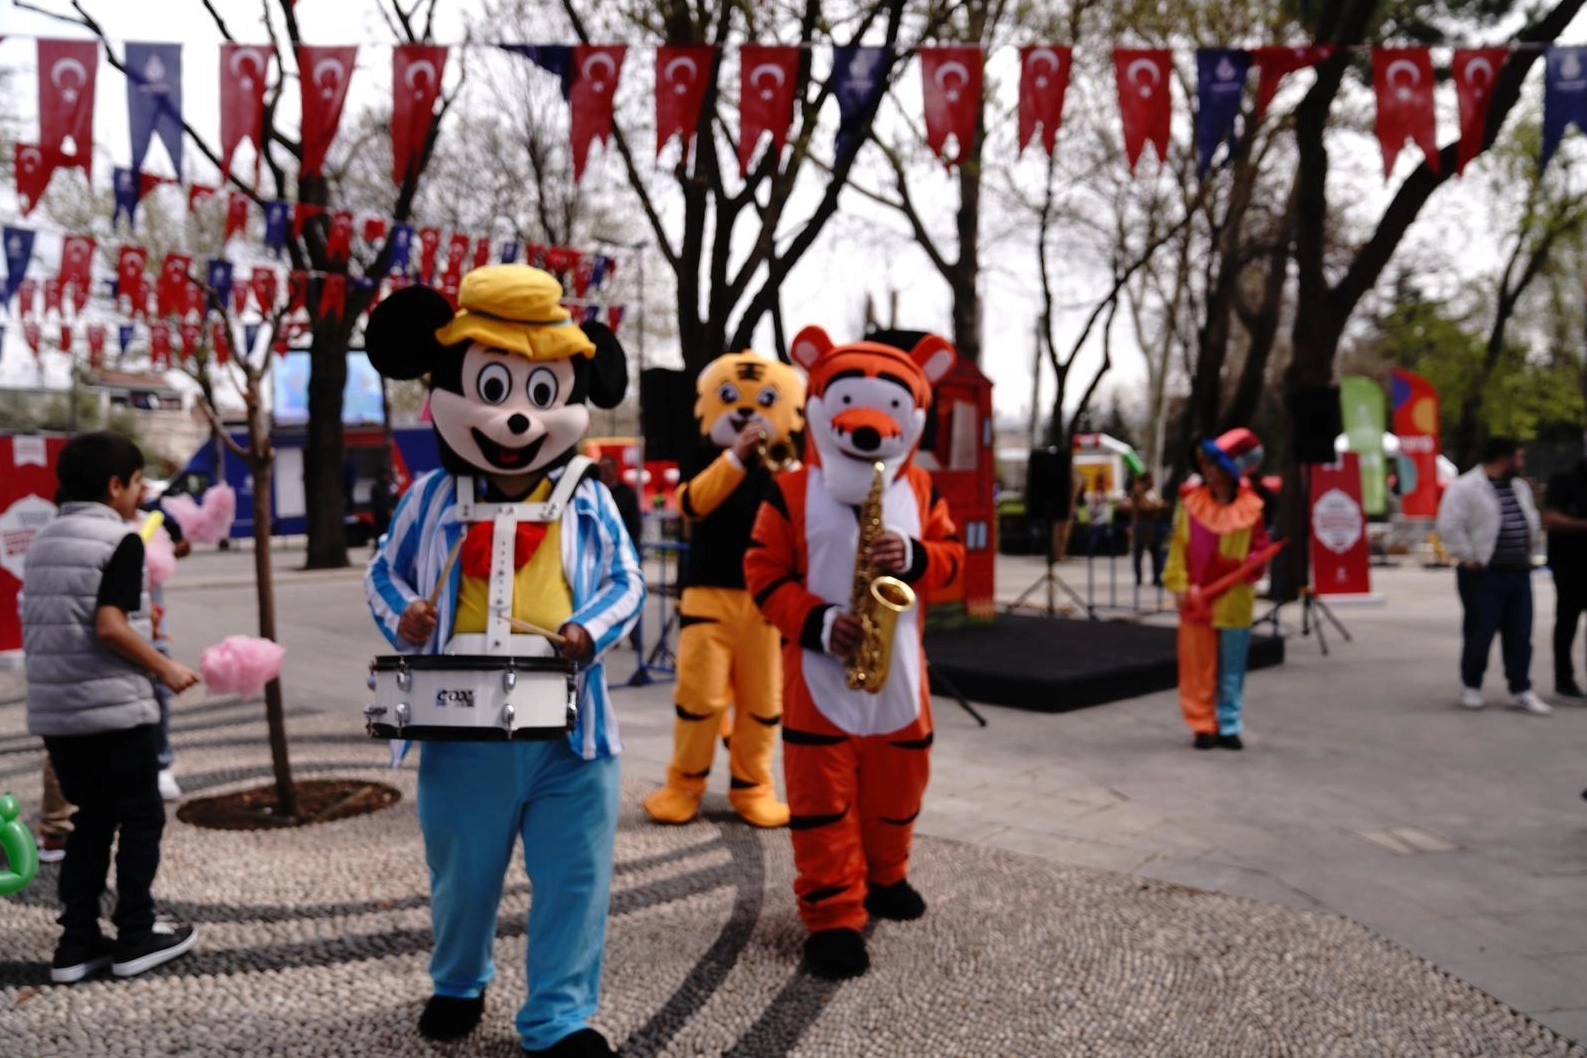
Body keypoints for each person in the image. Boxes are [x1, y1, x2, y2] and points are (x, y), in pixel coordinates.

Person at [363, 265, 643, 1056]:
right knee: (462, 873)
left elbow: (626, 582)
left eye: (540, 393)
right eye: (493, 388)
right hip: (462, 724)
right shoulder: (428, 497)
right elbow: (382, 571)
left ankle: (558, 1019)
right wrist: (403, 614)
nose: (517, 416)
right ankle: (459, 980)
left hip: (572, 732)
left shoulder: (589, 495)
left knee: (574, 878)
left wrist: (589, 629)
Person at [746, 326, 964, 981]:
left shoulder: (921, 491)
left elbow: (954, 560)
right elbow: (761, 573)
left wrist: (918, 556)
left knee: (899, 788)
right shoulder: (788, 492)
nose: (868, 426)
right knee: (821, 803)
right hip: (819, 679)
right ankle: (834, 916)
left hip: (899, 679)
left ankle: (886, 873)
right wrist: (816, 622)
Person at [21, 431, 201, 984]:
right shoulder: (120, 540)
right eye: (139, 482)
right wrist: (165, 668)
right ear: (115, 484)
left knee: (91, 819)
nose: (142, 494)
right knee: (141, 817)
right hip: (114, 710)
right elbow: (109, 625)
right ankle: (136, 933)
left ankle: (76, 943)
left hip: (57, 713)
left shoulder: (42, 542)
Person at [641, 351, 805, 829]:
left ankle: (754, 786)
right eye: (734, 400)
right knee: (699, 699)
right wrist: (735, 457)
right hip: (708, 597)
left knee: (763, 704)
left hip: (766, 603)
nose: (748, 413)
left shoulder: (783, 468)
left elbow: (802, 521)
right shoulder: (704, 457)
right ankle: (683, 783)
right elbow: (692, 503)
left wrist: (785, 471)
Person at [1163, 429, 1273, 750]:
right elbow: (1178, 549)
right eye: (1206, 463)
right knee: (1197, 667)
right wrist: (1180, 585)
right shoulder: (1191, 505)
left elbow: (1259, 548)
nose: (1207, 469)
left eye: (1214, 463)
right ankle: (1202, 724)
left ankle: (1229, 723)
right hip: (1197, 598)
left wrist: (1249, 563)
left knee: (1232, 666)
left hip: (1234, 599)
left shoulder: (1251, 509)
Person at [1434, 437, 1549, 715]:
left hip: (1518, 572)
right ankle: (1471, 685)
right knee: (1480, 631)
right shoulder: (1465, 487)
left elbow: (1530, 520)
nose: (1521, 463)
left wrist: (1531, 549)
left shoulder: (1519, 487)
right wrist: (1468, 556)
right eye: (1518, 457)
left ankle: (1520, 688)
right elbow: (1449, 525)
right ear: (1502, 459)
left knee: (1520, 632)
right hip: (1484, 573)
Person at [139, 495, 191, 801]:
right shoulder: (106, 529)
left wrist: (176, 548)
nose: (142, 488)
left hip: (154, 627)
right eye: (137, 481)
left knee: (158, 696)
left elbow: (176, 547)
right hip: (123, 628)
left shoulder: (151, 520)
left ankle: (161, 764)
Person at [1544, 454, 1587, 701]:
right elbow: (1551, 518)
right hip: (1570, 567)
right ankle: (1564, 680)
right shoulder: (1564, 481)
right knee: (1567, 622)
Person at [598, 456, 645, 653]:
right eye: (601, 468)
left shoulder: (627, 494)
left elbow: (635, 525)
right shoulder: (596, 493)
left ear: (614, 469)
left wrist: (632, 551)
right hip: (602, 554)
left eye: (607, 468)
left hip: (624, 552)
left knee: (630, 593)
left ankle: (635, 637)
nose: (604, 472)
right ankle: (610, 636)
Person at [1126, 472, 1168, 587]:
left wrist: (1160, 505)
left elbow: (1157, 501)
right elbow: (1144, 506)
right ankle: (1139, 578)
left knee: (1155, 553)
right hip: (1141, 526)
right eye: (1151, 479)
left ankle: (1156, 577)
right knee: (1138, 554)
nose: (1153, 482)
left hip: (1152, 527)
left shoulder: (1153, 491)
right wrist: (1158, 506)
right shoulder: (1138, 491)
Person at [368, 466, 397, 544]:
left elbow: (395, 498)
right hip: (381, 516)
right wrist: (386, 510)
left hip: (390, 515)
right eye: (385, 475)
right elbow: (376, 502)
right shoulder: (376, 487)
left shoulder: (391, 486)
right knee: (381, 532)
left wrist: (393, 509)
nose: (387, 476)